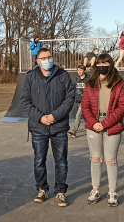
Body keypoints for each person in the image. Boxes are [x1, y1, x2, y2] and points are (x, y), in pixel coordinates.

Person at [20, 48, 75, 207]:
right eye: (43, 58)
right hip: (38, 128)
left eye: (48, 57)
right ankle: (42, 189)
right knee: (39, 161)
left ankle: (60, 191)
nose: (46, 60)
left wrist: (54, 116)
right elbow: (25, 101)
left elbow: (69, 99)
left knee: (61, 162)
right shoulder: (30, 77)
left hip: (59, 127)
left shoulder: (63, 75)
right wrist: (40, 117)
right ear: (37, 61)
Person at [81, 53, 124, 207]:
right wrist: (93, 122)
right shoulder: (90, 83)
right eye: (99, 63)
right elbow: (85, 105)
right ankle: (95, 190)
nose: (102, 66)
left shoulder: (120, 83)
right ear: (96, 65)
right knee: (95, 159)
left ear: (110, 64)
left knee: (110, 160)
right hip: (93, 125)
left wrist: (105, 123)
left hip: (111, 125)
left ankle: (112, 192)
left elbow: (123, 107)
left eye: (105, 63)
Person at [68, 65, 90, 138]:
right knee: (85, 116)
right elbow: (74, 87)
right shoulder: (77, 79)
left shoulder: (88, 78)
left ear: (84, 70)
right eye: (78, 70)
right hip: (78, 100)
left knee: (78, 115)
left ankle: (73, 131)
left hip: (85, 101)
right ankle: (90, 129)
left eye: (81, 70)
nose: (79, 72)